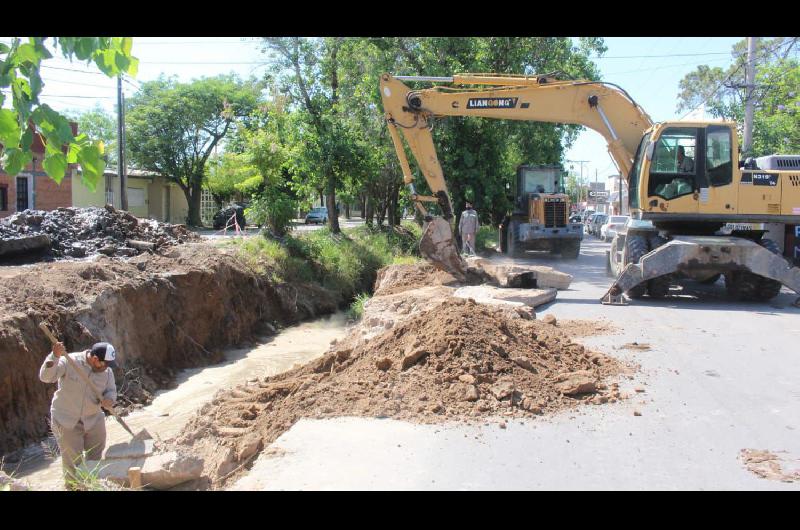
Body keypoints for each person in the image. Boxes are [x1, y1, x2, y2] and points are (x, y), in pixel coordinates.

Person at [39, 341, 118, 489]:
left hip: (94, 420)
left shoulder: (107, 372)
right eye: (104, 363)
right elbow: (46, 377)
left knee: (95, 461)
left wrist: (109, 400)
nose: (106, 367)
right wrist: (54, 357)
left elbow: (111, 390)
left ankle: (93, 487)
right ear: (94, 359)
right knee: (72, 463)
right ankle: (73, 488)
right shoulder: (70, 361)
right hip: (66, 420)